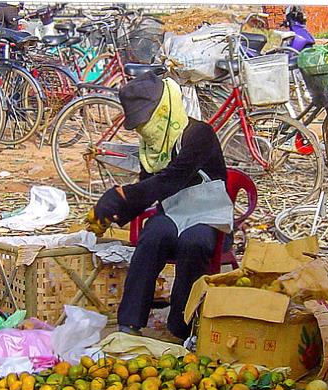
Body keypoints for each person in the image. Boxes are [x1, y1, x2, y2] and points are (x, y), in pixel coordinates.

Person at [85, 72, 231, 342]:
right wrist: (115, 212)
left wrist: (120, 197)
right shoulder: (152, 147)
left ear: (164, 109)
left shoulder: (199, 134)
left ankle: (182, 324)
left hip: (207, 215)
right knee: (152, 237)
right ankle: (129, 322)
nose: (142, 130)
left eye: (145, 121)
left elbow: (170, 180)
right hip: (172, 213)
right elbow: (148, 187)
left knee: (193, 242)